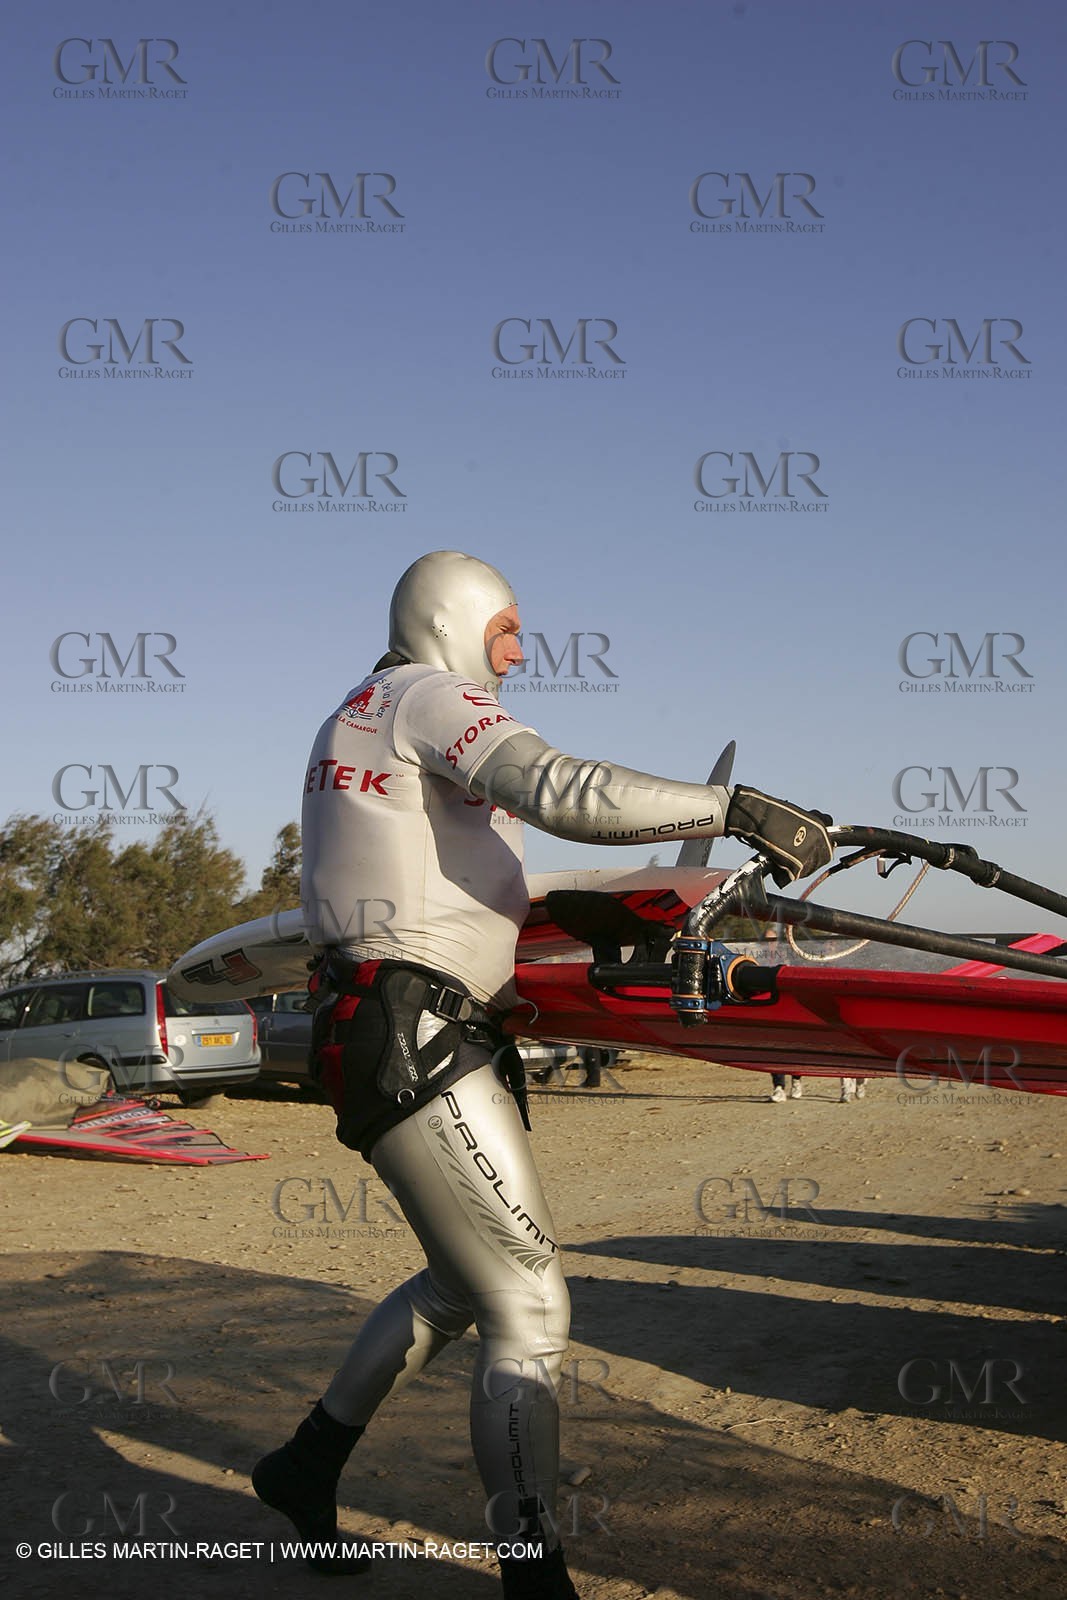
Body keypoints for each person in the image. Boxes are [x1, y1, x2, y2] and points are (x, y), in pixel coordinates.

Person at [252, 551, 833, 1598]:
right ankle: (533, 1577)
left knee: (458, 1284)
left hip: (396, 1021)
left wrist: (586, 912)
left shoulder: (369, 713)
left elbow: (462, 881)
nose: (520, 651)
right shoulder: (426, 694)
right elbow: (560, 787)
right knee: (529, 1308)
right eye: (508, 628)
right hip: (412, 1026)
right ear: (451, 619)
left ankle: (303, 1465)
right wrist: (732, 808)